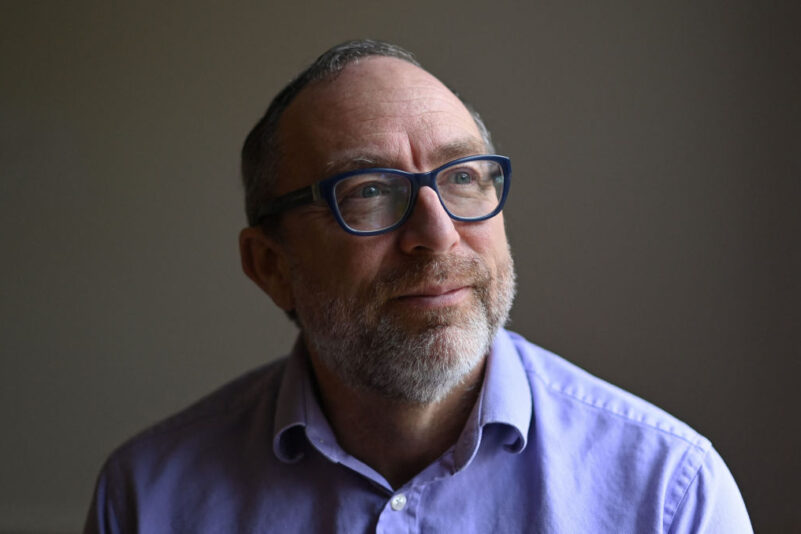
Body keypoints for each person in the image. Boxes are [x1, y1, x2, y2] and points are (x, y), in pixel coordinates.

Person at [84, 40, 752, 533]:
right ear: (269, 265)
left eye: (462, 177)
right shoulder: (146, 500)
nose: (436, 235)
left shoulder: (670, 493)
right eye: (369, 191)